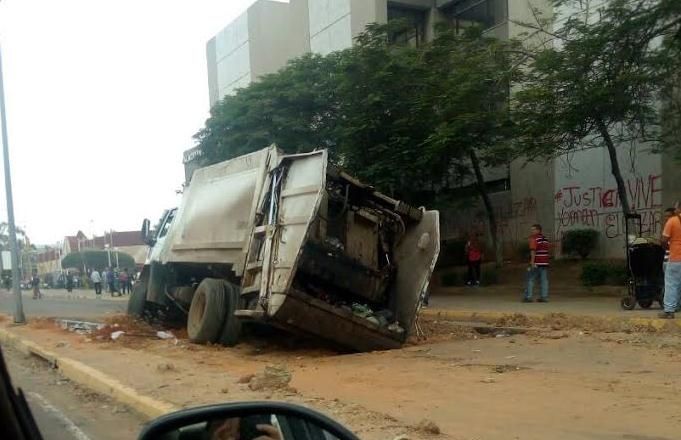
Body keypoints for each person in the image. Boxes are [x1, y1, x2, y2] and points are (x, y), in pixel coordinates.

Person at [659, 203, 681, 319]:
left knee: (671, 284)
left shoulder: (672, 221)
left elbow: (664, 240)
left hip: (676, 258)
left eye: (677, 207)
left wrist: (667, 247)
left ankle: (669, 311)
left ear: (679, 209)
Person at [522, 224, 550, 303]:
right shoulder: (545, 239)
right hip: (545, 262)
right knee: (544, 280)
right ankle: (544, 297)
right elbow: (547, 250)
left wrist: (532, 262)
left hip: (536, 262)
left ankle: (528, 297)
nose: (532, 231)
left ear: (538, 230)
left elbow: (533, 251)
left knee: (530, 279)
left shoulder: (534, 239)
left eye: (533, 229)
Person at [662, 207, 675, 272]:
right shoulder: (666, 228)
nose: (666, 218)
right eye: (665, 216)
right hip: (667, 260)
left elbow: (664, 243)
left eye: (669, 216)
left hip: (673, 261)